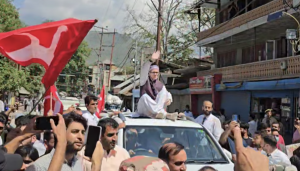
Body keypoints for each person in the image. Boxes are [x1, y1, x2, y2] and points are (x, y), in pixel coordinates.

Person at [26, 112, 103, 171]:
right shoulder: (39, 166)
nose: (80, 137)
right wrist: (96, 166)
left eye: (83, 132)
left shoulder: (78, 162)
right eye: (75, 131)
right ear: (61, 132)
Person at [136, 51, 183, 120]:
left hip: (154, 111)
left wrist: (169, 99)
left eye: (157, 73)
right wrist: (151, 60)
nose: (155, 74)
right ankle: (164, 114)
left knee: (163, 91)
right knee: (144, 97)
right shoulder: (144, 80)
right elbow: (144, 70)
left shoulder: (160, 85)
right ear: (149, 73)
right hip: (144, 109)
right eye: (153, 72)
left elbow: (167, 94)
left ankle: (161, 114)